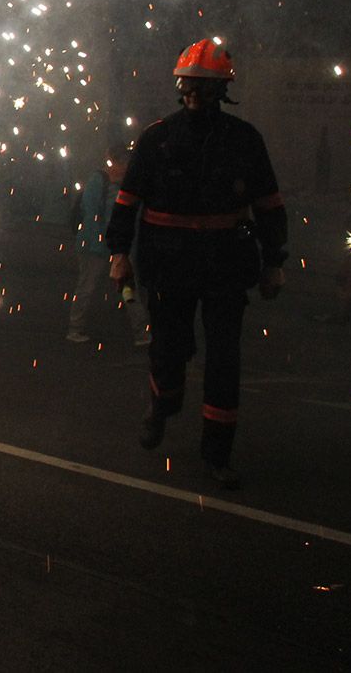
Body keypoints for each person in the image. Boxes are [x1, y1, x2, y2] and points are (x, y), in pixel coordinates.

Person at [106, 39, 287, 490]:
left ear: (221, 88)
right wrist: (118, 253)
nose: (191, 92)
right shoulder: (157, 137)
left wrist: (274, 261)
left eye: (201, 84)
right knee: (169, 348)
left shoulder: (245, 140)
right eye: (186, 83)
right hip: (168, 264)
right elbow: (127, 202)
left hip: (226, 264)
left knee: (224, 360)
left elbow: (268, 205)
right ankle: (162, 406)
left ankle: (217, 454)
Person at [66, 143, 149, 346]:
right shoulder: (99, 180)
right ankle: (75, 328)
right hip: (95, 245)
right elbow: (91, 213)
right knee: (88, 286)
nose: (127, 167)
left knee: (128, 288)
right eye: (124, 162)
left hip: (118, 245)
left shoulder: (127, 185)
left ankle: (142, 333)